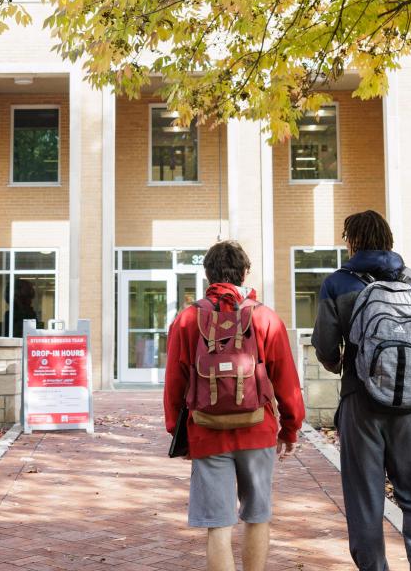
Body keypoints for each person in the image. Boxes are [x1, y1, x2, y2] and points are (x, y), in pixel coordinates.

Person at [311, 210, 411, 571]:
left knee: (365, 501)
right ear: (388, 240)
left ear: (352, 241)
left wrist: (343, 366)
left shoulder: (338, 284)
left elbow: (325, 346)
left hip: (361, 402)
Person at [164, 240, 305, 571]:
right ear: (244, 273)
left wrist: (179, 432)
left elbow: (174, 382)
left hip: (206, 431)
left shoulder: (187, 319)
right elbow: (286, 380)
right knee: (257, 517)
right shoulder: (264, 317)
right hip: (258, 430)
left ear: (207, 274)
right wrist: (290, 428)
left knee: (219, 525)